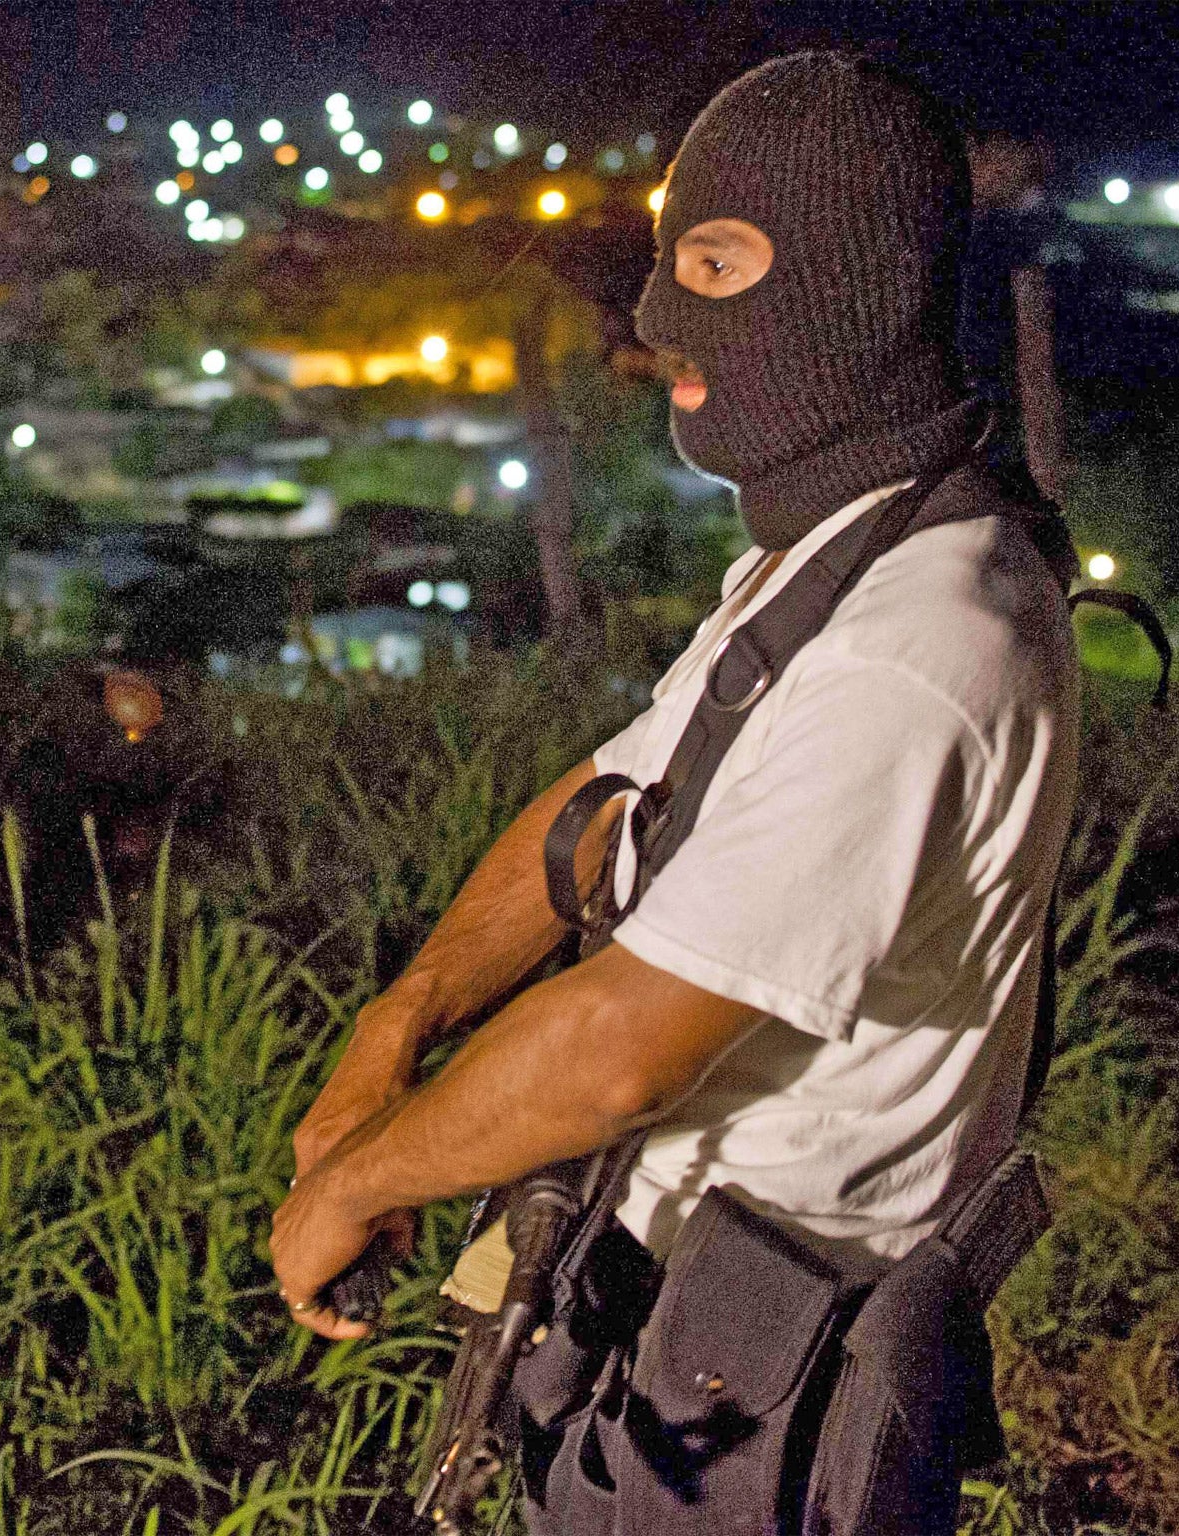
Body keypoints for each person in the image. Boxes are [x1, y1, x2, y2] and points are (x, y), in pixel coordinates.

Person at [271, 49, 1080, 1526]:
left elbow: (617, 1050)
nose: (657, 318)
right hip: (660, 1331)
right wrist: (403, 1022)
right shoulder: (835, 558)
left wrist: (359, 1184)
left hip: (759, 1399)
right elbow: (608, 803)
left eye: (716, 261)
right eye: (665, 260)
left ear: (852, 286)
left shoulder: (917, 642)